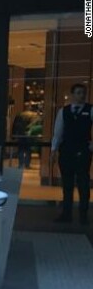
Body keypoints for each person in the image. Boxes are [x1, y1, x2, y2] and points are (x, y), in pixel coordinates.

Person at [51, 83, 93, 224]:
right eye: (79, 93)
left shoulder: (90, 110)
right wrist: (53, 150)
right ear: (72, 95)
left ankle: (83, 214)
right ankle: (66, 213)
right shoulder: (64, 111)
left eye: (83, 93)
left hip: (83, 151)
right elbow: (58, 132)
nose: (81, 95)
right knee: (67, 184)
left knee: (83, 183)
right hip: (67, 151)